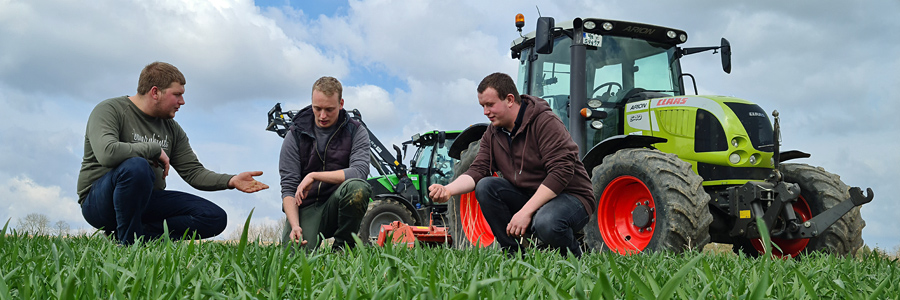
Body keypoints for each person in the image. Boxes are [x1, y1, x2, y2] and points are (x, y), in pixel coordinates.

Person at [78, 61, 269, 245]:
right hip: (100, 203)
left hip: (145, 202)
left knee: (214, 217)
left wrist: (231, 180)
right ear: (155, 92)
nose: (182, 101)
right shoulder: (110, 110)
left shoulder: (172, 129)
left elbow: (193, 173)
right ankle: (128, 244)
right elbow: (107, 153)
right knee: (136, 166)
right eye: (177, 94)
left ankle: (135, 235)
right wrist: (153, 149)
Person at [429, 72, 595, 257]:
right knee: (486, 186)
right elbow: (477, 170)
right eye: (482, 106)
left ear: (509, 99)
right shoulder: (492, 134)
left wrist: (525, 212)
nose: (485, 112)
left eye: (490, 105)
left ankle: (574, 261)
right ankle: (515, 256)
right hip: (530, 195)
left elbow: (561, 172)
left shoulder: (545, 122)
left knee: (546, 223)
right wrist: (448, 190)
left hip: (570, 196)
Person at [279, 76, 372, 250]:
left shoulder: (357, 131)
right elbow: (288, 186)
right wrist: (294, 225)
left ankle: (343, 248)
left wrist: (314, 176)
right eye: (317, 108)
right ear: (311, 103)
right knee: (293, 258)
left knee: (357, 188)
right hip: (306, 207)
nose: (322, 116)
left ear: (341, 103)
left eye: (329, 109)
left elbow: (359, 172)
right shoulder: (294, 135)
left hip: (338, 205)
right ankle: (302, 230)